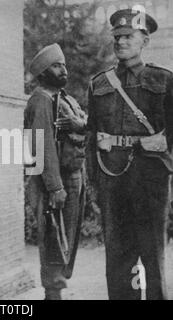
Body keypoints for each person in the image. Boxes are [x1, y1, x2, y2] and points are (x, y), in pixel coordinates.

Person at [87, 9, 173, 300]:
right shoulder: (100, 83)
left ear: (144, 41)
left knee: (152, 255)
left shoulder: (164, 80)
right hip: (113, 181)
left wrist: (162, 150)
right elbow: (91, 136)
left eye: (129, 36)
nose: (121, 42)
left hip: (151, 181)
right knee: (117, 257)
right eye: (117, 37)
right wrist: (95, 183)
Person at [24, 43, 87, 300]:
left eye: (63, 65)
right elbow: (42, 145)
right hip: (54, 180)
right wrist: (55, 186)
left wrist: (80, 124)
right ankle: (53, 293)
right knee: (54, 237)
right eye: (56, 66)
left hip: (74, 176)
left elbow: (86, 123)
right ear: (42, 73)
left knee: (68, 237)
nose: (63, 70)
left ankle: (57, 288)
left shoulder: (66, 99)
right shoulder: (41, 100)